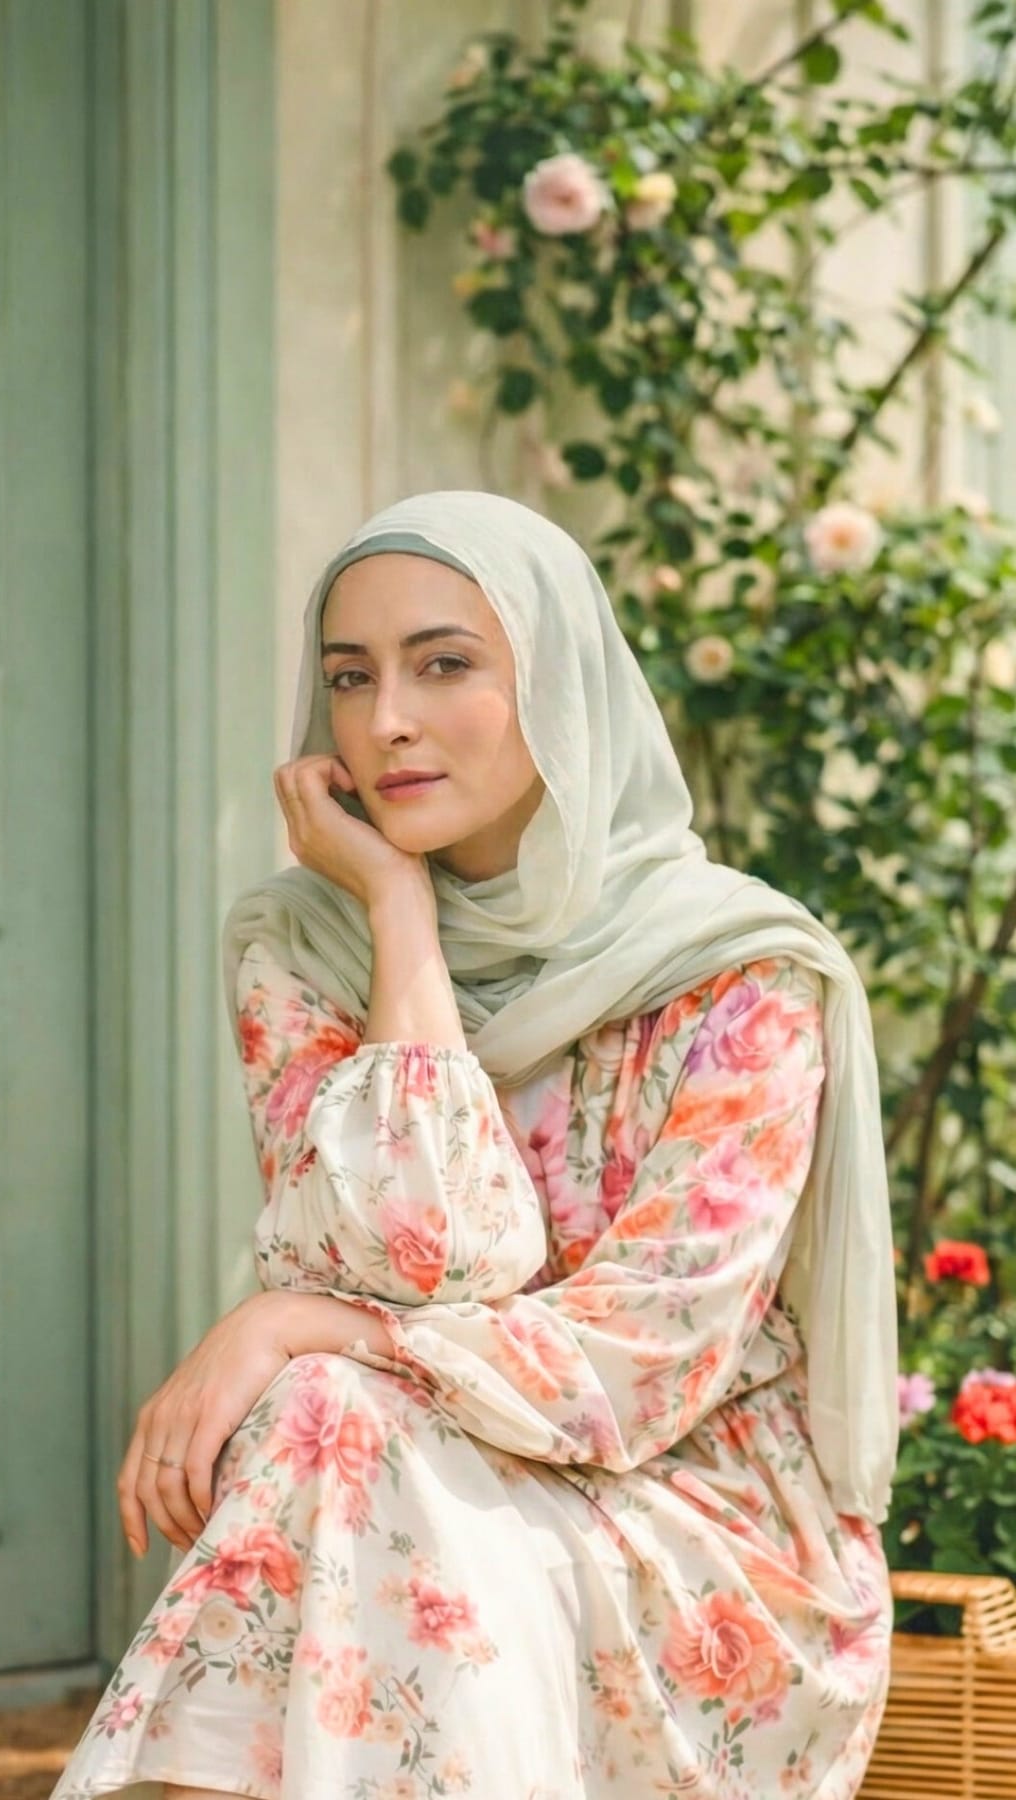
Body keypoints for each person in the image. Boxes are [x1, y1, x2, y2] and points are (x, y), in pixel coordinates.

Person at [50, 490, 898, 1800]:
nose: (386, 719)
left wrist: (286, 1325)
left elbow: (638, 1365)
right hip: (413, 1462)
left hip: (691, 1517)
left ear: (555, 683)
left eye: (444, 663)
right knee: (341, 1426)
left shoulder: (739, 974)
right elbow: (412, 1251)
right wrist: (399, 913)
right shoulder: (308, 940)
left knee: (333, 1414)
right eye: (350, 677)